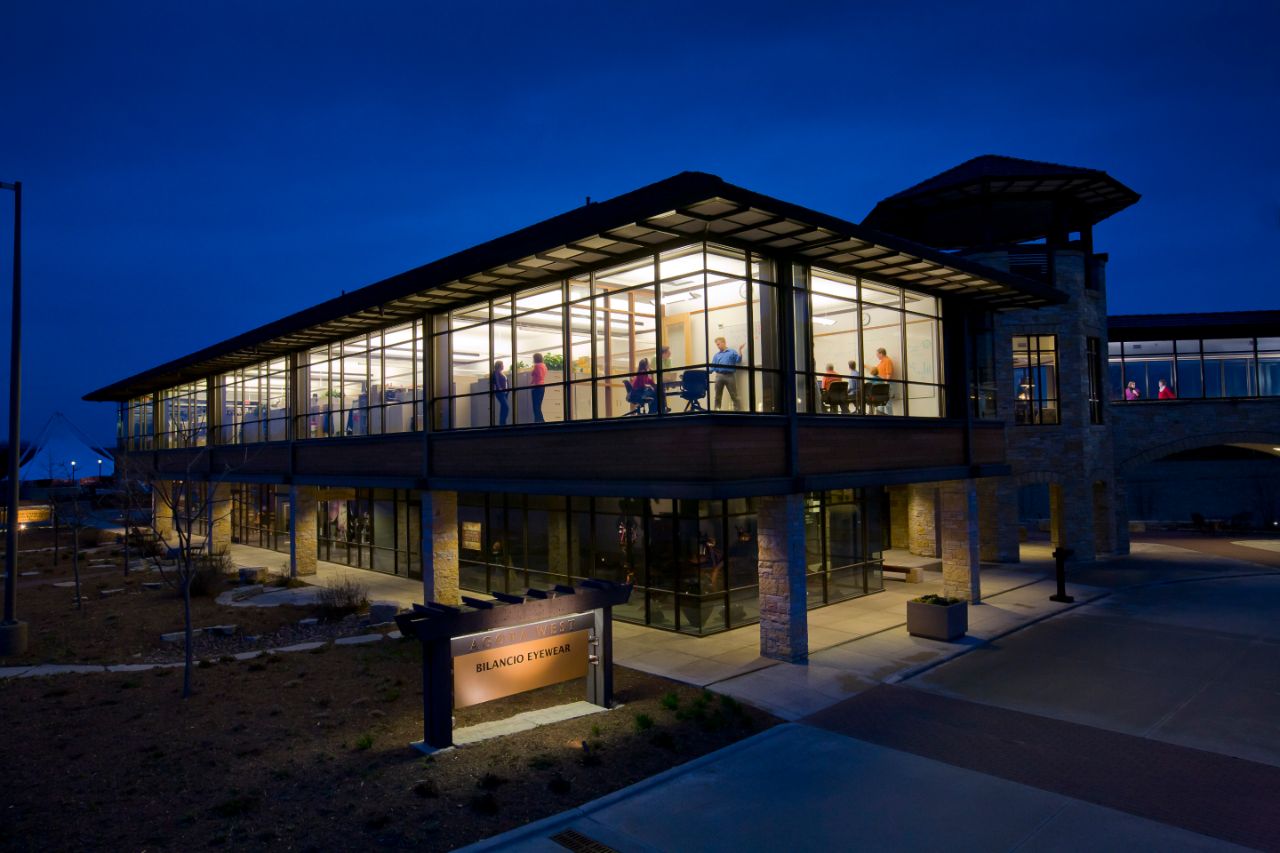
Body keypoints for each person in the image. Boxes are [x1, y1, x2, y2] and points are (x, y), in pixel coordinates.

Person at [709, 337, 745, 410]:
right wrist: (707, 372)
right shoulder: (716, 355)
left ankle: (738, 411)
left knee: (734, 395)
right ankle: (717, 411)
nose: (717, 346)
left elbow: (738, 360)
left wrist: (740, 350)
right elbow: (712, 367)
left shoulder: (732, 352)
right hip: (719, 376)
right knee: (717, 396)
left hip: (730, 376)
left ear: (723, 342)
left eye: (718, 344)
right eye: (717, 345)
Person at [873, 347, 895, 415]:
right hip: (881, 386)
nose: (877, 356)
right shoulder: (881, 362)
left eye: (877, 355)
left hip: (886, 385)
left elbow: (889, 374)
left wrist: (886, 384)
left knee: (888, 404)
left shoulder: (887, 361)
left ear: (881, 354)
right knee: (881, 405)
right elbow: (875, 371)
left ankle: (891, 420)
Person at [529, 353, 547, 422]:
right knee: (538, 406)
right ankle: (539, 421)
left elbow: (536, 375)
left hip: (536, 387)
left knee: (535, 406)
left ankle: (539, 421)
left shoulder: (536, 366)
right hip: (542, 386)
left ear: (535, 358)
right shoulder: (544, 366)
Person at [492, 361, 509, 425]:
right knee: (506, 407)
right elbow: (497, 381)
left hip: (505, 393)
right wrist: (499, 389)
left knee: (503, 408)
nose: (503, 366)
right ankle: (502, 423)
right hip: (500, 393)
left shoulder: (501, 373)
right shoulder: (496, 372)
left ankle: (502, 423)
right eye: (502, 365)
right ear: (499, 365)